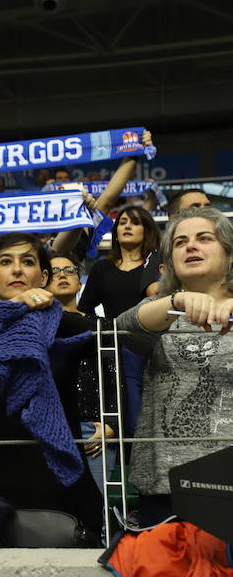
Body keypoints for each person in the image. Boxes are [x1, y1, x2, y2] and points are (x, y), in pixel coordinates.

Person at [0, 233, 102, 538]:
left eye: (27, 262)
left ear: (43, 276)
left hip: (57, 478)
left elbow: (109, 342)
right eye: (5, 262)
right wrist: (3, 310)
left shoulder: (68, 327)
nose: (16, 270)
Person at [116, 206, 233, 526]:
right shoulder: (160, 310)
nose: (190, 246)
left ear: (229, 251)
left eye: (204, 238)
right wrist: (176, 302)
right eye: (180, 242)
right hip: (167, 482)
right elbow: (123, 329)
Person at [78, 204, 161, 434]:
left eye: (135, 223)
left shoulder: (155, 265)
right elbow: (84, 308)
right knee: (127, 414)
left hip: (153, 345)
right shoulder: (102, 268)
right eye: (122, 222)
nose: (126, 226)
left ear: (147, 230)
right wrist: (103, 331)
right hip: (114, 349)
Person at [47, 254, 120, 498]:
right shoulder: (33, 327)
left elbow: (115, 375)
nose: (63, 274)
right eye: (54, 270)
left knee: (98, 510)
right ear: (42, 280)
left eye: (69, 269)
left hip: (94, 429)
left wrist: (113, 425)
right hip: (48, 427)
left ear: (80, 281)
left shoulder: (103, 325)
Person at [140, 188, 211, 297]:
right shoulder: (161, 251)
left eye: (207, 207)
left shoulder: (226, 246)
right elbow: (154, 291)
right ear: (174, 217)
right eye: (194, 207)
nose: (204, 211)